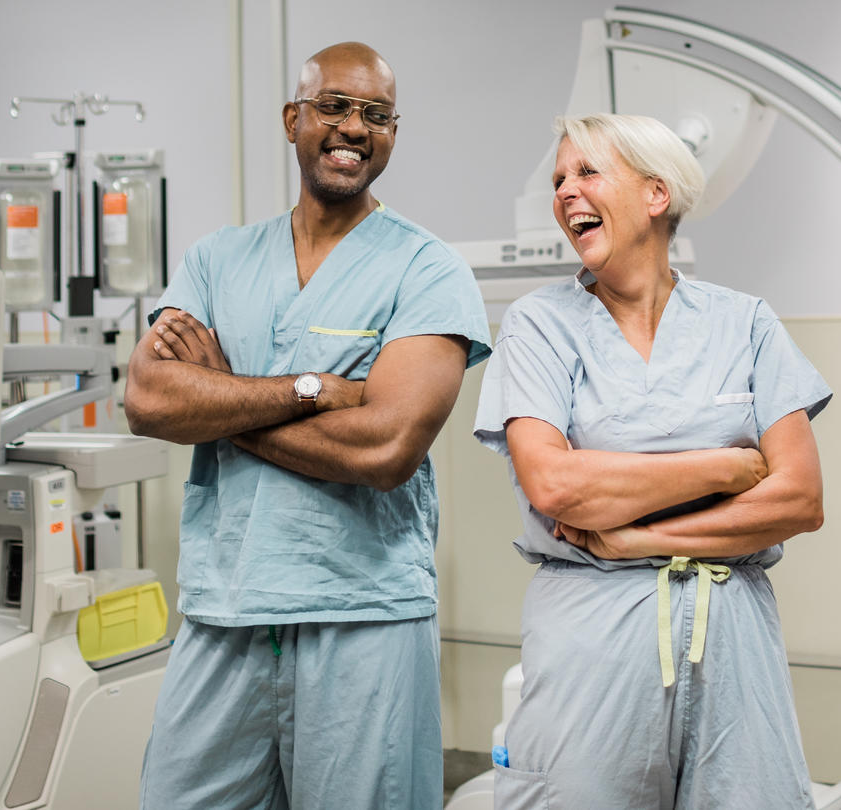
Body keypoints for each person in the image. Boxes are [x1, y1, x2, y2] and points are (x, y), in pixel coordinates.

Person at [126, 41, 490, 810]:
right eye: (334, 106)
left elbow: (387, 447)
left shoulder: (426, 270)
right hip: (226, 610)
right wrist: (313, 390)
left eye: (377, 115)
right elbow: (152, 401)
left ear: (393, 133)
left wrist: (219, 398)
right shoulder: (217, 260)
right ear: (293, 119)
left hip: (361, 613)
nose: (354, 127)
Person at [473, 113, 831, 809]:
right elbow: (555, 484)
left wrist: (635, 536)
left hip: (734, 637)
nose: (564, 192)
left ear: (656, 194)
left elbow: (799, 501)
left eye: (586, 172)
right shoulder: (539, 325)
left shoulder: (745, 322)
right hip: (593, 635)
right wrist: (727, 469)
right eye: (558, 179)